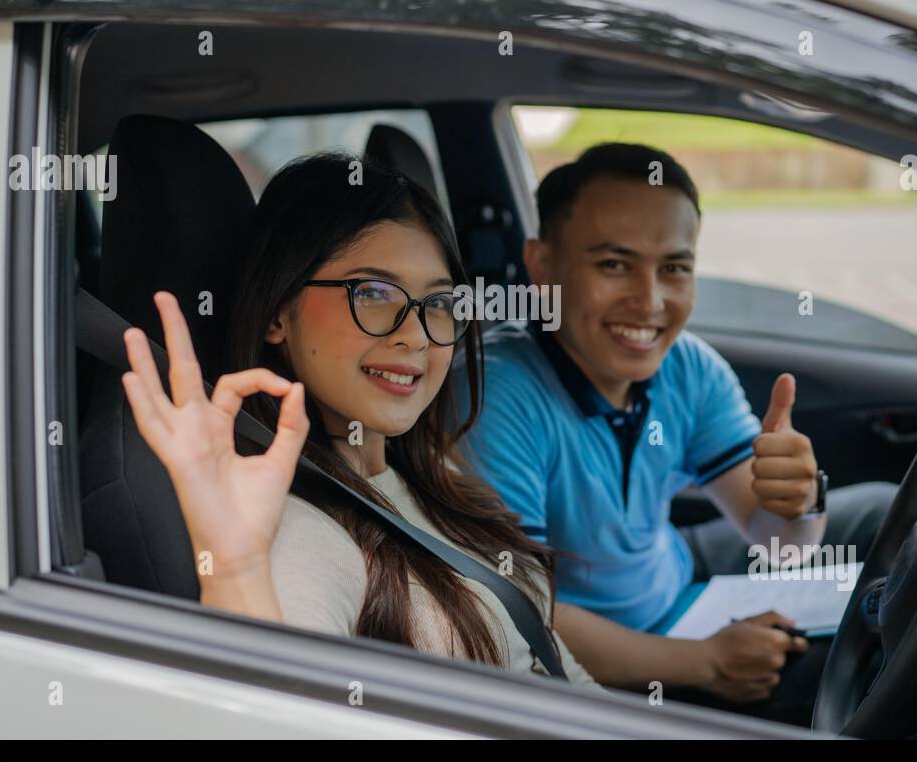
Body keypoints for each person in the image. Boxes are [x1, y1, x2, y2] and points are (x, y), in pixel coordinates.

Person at [120, 152, 598, 686]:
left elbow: (556, 669)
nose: (416, 334)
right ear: (279, 309)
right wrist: (235, 569)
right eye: (372, 293)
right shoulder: (300, 534)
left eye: (439, 302)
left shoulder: (431, 471)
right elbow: (277, 717)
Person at [455, 143, 895, 722]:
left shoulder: (688, 366)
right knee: (880, 673)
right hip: (610, 668)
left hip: (674, 580)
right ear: (542, 266)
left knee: (890, 513)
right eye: (614, 265)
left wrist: (800, 499)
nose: (650, 301)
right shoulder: (495, 394)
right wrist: (705, 663)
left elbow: (781, 546)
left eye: (675, 268)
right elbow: (517, 612)